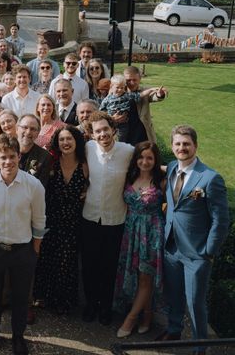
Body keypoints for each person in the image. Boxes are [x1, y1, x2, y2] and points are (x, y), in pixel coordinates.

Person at [157, 125, 230, 349]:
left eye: (186, 144)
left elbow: (221, 220)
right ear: (172, 146)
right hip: (171, 247)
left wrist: (208, 251)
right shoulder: (170, 168)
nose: (182, 148)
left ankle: (200, 346)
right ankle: (174, 330)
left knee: (195, 302)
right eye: (178, 144)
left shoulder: (210, 178)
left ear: (195, 146)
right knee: (173, 295)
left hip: (197, 253)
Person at [0, 134, 46, 355]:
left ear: (19, 156)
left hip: (22, 250)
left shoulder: (33, 185)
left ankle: (18, 338)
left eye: (12, 157)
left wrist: (34, 249)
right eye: (3, 157)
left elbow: (39, 220)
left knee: (20, 297)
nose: (8, 162)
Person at [81, 111, 135, 326]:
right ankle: (91, 304)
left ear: (113, 129)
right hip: (90, 216)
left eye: (105, 129)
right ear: (92, 135)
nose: (102, 134)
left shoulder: (128, 151)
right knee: (90, 264)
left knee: (109, 266)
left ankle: (105, 307)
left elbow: (149, 162)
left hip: (115, 218)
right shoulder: (88, 149)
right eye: (97, 131)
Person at [34, 126, 88, 315]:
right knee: (48, 258)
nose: (66, 143)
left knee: (67, 261)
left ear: (76, 142)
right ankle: (44, 297)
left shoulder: (84, 166)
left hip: (73, 220)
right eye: (62, 140)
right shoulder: (52, 164)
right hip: (52, 217)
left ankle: (63, 300)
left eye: (69, 139)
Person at [114, 142, 166, 338]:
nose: (145, 161)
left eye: (150, 158)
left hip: (151, 232)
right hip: (130, 231)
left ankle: (131, 318)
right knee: (136, 274)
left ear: (155, 160)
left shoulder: (161, 180)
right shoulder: (130, 176)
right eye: (141, 157)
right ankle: (147, 315)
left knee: (146, 277)